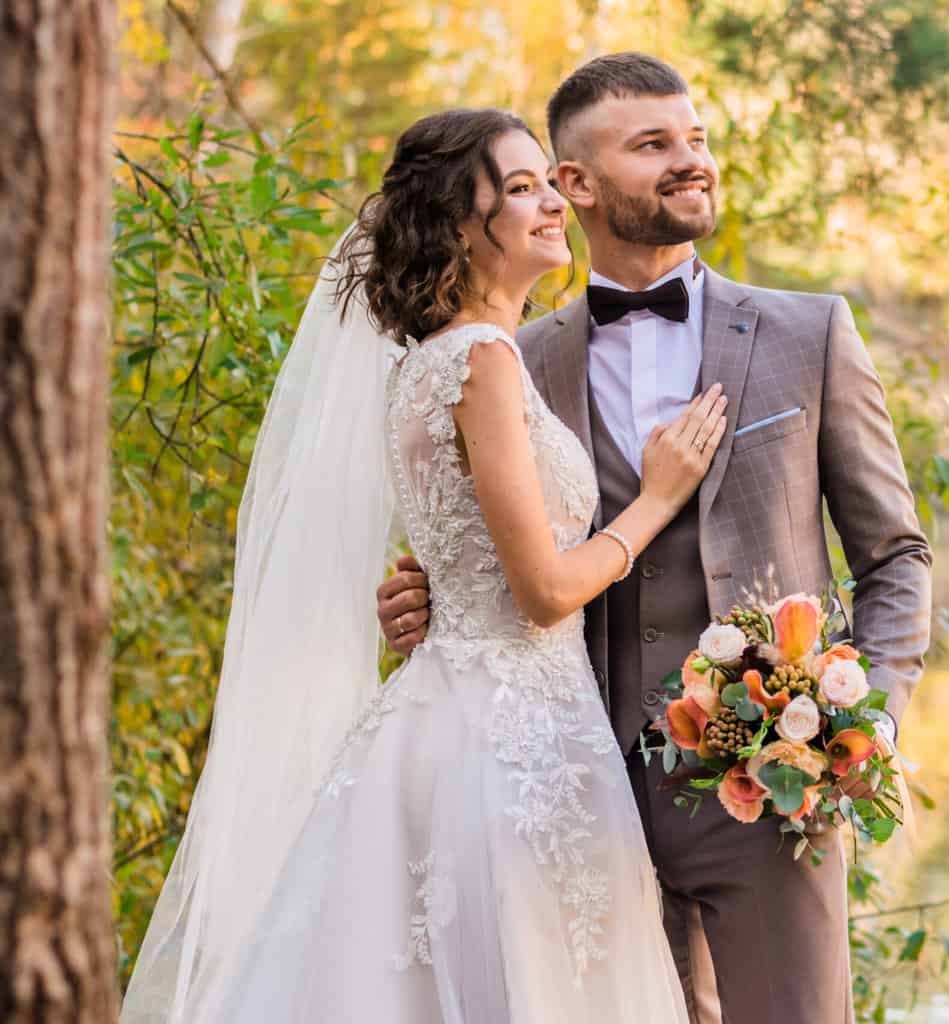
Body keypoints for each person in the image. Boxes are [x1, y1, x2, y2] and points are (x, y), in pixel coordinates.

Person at [121, 109, 719, 1022]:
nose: (551, 203)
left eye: (545, 182)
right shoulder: (481, 360)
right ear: (455, 225)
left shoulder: (432, 364)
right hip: (510, 742)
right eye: (519, 189)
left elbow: (465, 552)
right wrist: (657, 498)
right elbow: (543, 592)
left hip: (464, 716)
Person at [378, 53, 933, 1024]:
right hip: (571, 789)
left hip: (768, 790)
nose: (690, 161)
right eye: (653, 145)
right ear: (575, 185)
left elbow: (894, 557)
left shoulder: (811, 335)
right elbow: (496, 540)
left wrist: (866, 721)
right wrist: (426, 594)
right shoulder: (512, 353)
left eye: (696, 140)